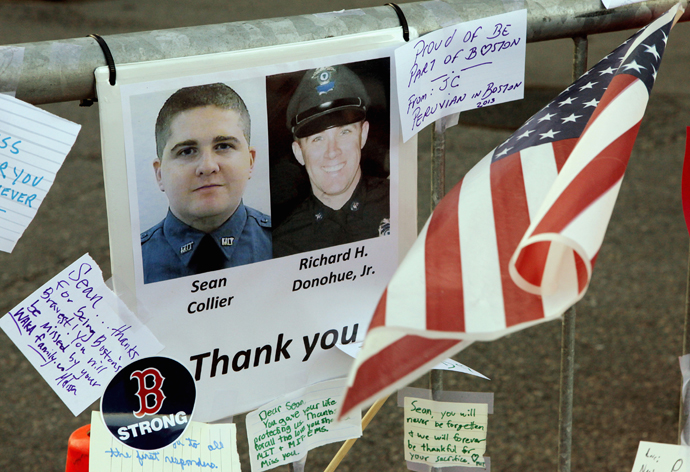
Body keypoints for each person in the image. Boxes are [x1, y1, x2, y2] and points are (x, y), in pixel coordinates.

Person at [141, 83, 271, 284]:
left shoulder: (287, 242)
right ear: (159, 174)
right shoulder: (133, 264)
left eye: (223, 146)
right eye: (187, 151)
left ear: (251, 161)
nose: (208, 166)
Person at [272, 65, 390, 258]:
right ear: (298, 152)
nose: (332, 152)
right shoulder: (282, 245)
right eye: (317, 139)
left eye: (344, 132)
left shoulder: (399, 202)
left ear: (363, 135)